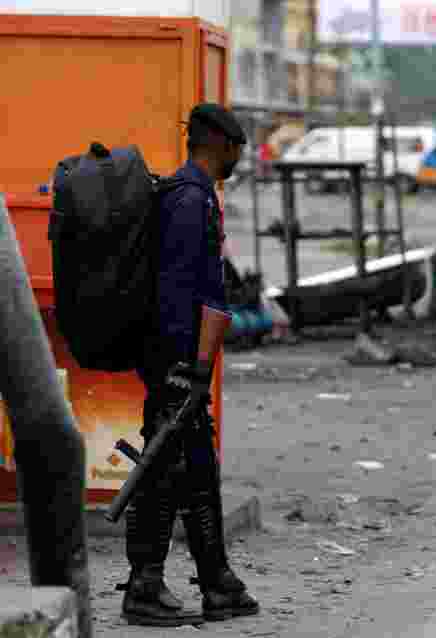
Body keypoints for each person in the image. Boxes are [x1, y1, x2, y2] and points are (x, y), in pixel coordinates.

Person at [122, 103, 259, 626]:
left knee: (197, 468)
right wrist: (186, 367)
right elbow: (177, 294)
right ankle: (144, 586)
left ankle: (218, 583)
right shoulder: (187, 200)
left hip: (182, 361)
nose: (239, 156)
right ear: (218, 144)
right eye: (237, 147)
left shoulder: (198, 195)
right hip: (173, 361)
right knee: (163, 469)